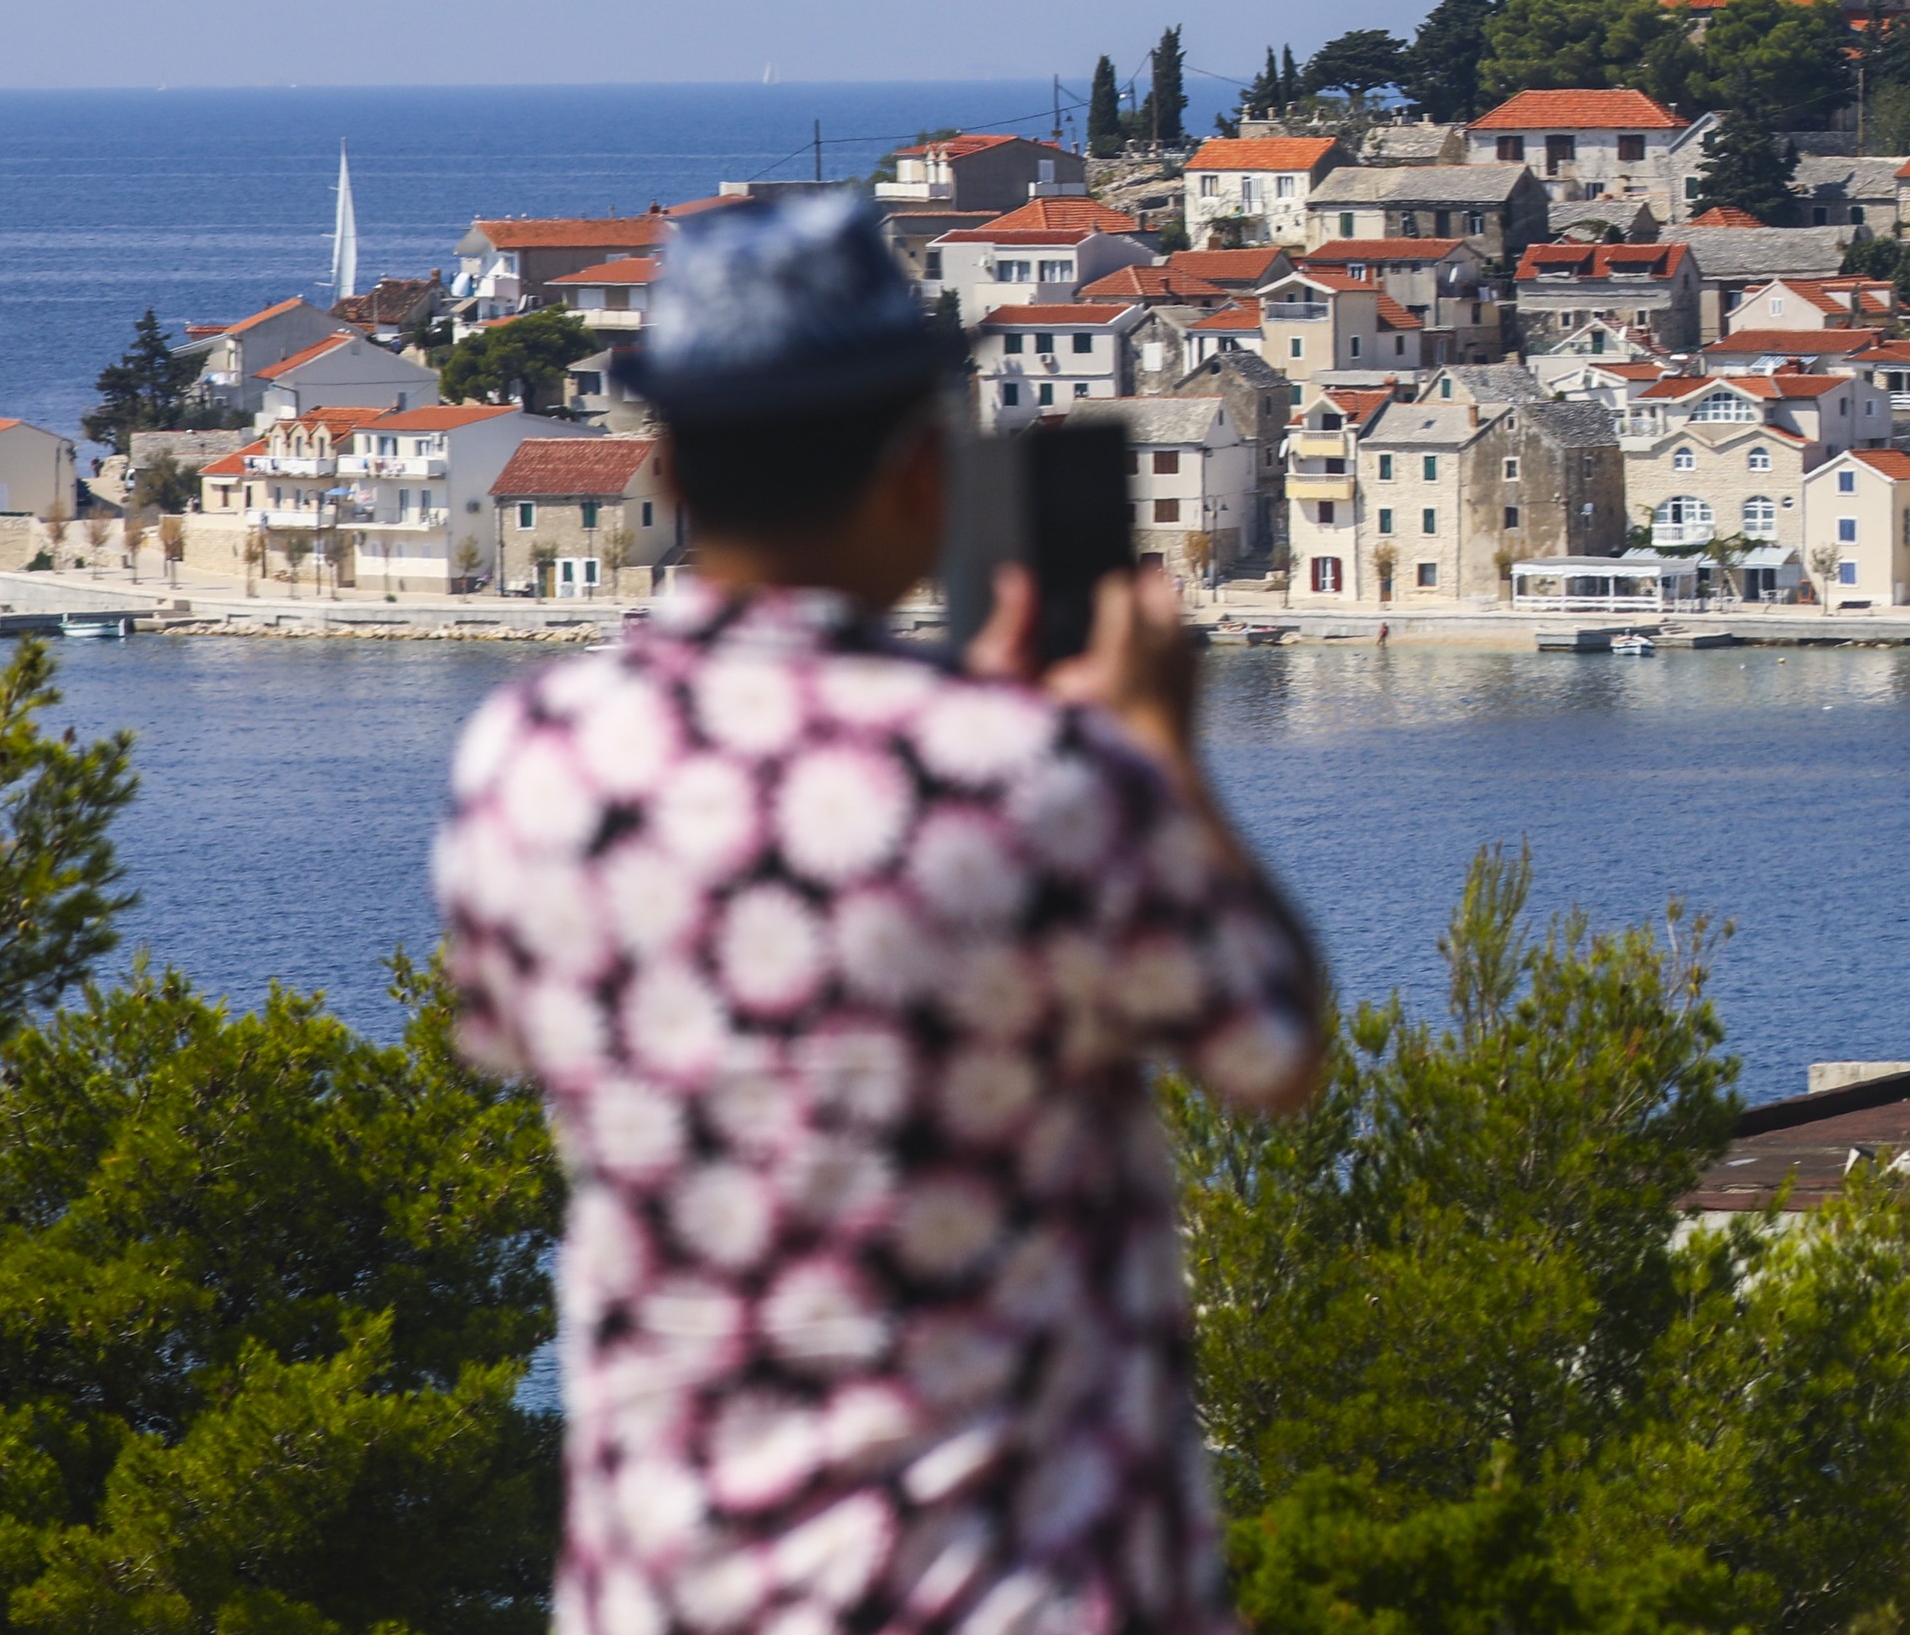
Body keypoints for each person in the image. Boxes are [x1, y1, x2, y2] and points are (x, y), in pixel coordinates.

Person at [433, 192, 1324, 1635]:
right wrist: (1158, 756)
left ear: (663, 467)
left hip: (671, 1588)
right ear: (924, 474)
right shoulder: (1031, 780)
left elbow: (528, 1036)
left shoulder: (532, 760)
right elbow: (1270, 1047)